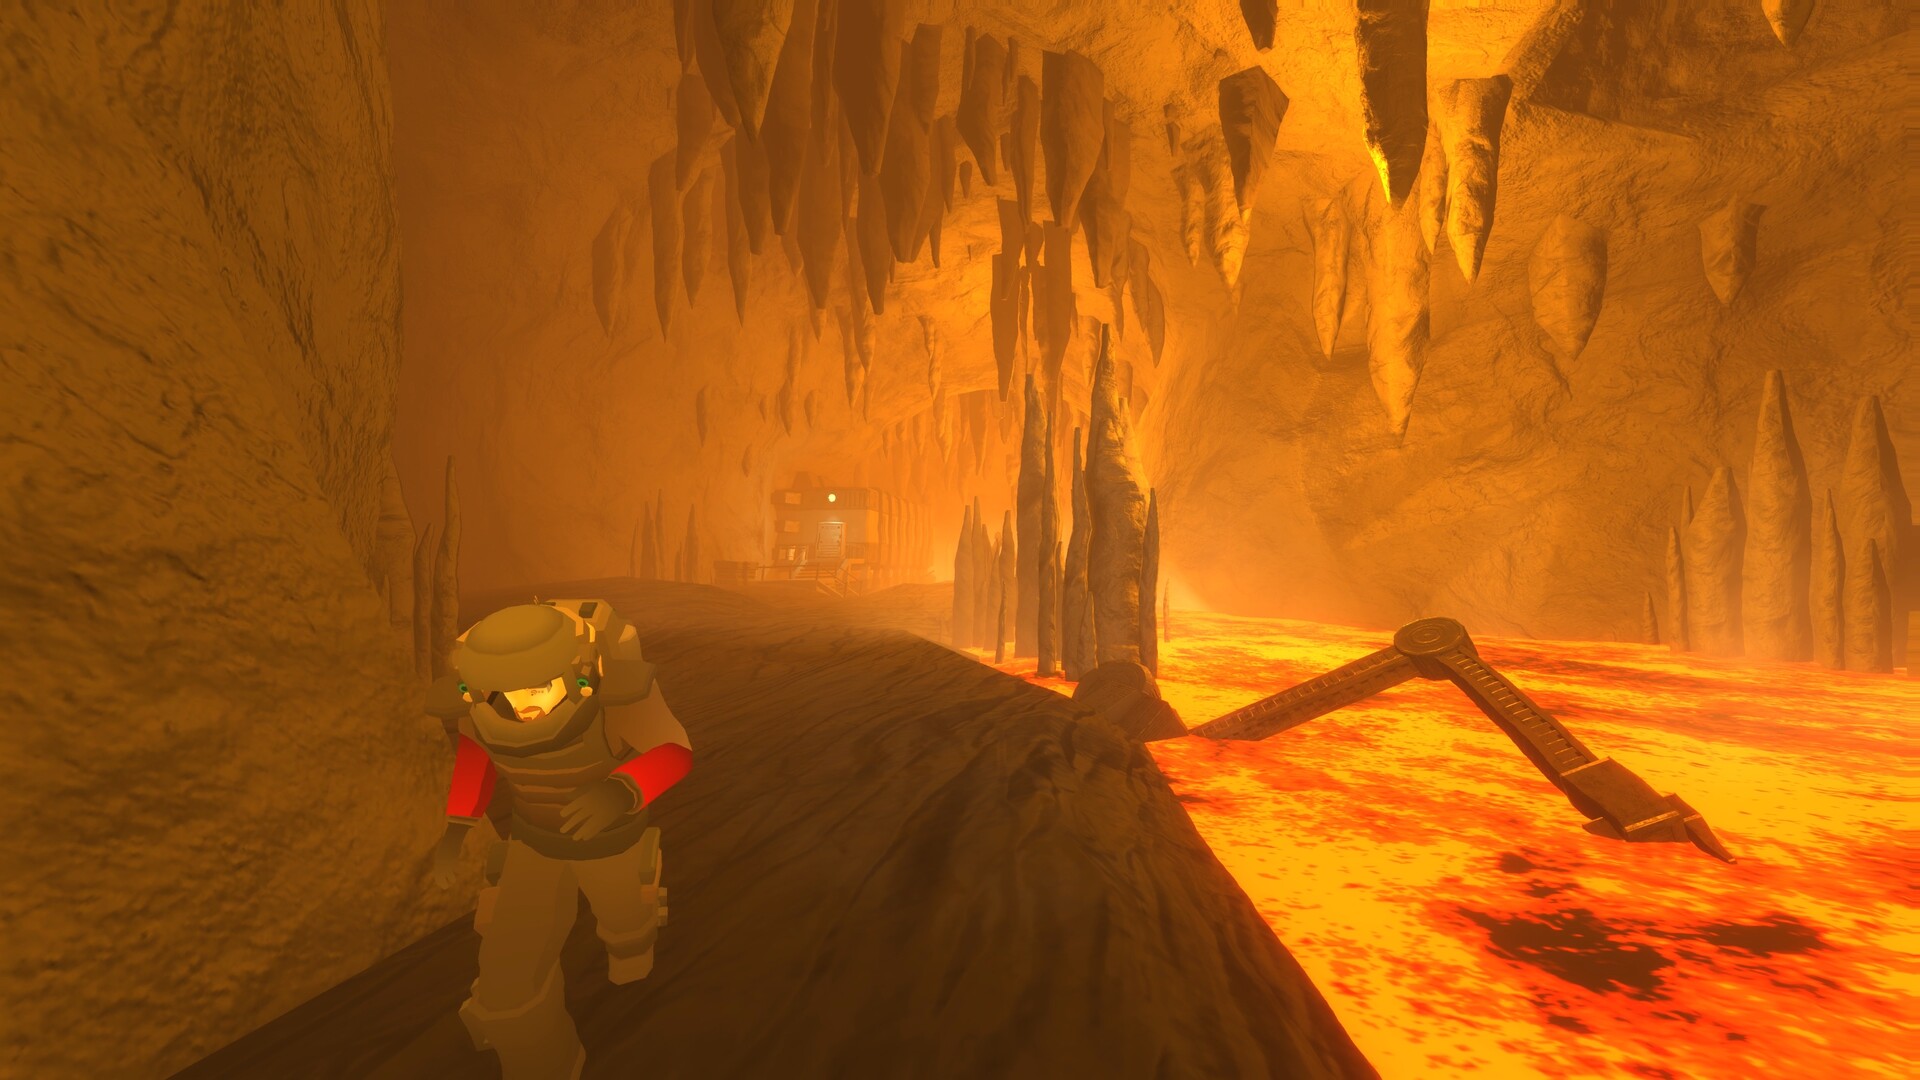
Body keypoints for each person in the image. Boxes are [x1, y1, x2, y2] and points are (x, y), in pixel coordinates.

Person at [425, 598, 692, 1080]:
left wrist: (621, 791)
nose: (521, 704)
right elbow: (475, 763)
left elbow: (674, 750)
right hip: (536, 844)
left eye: (537, 687)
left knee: (626, 930)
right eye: (504, 691)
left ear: (580, 673)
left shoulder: (614, 696)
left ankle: (634, 928)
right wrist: (457, 827)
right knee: (507, 980)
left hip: (613, 840)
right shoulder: (480, 708)